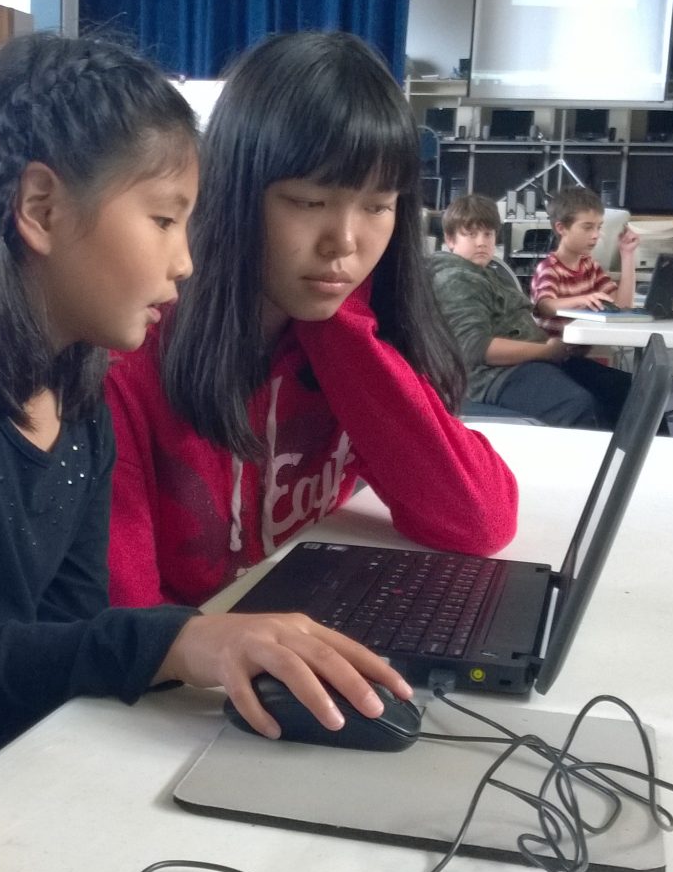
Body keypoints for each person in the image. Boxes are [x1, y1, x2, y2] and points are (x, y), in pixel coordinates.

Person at [0, 31, 414, 773]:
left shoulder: (81, 397)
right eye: (165, 220)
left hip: (25, 774)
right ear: (40, 208)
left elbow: (73, 634)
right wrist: (181, 639)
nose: (187, 260)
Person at [104, 31, 519, 610]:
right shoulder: (129, 356)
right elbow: (122, 623)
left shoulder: (348, 338)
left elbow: (480, 518)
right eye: (308, 202)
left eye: (377, 206)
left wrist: (340, 327)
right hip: (184, 680)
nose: (344, 243)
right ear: (231, 195)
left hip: (291, 636)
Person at [430, 194, 634, 428]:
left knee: (622, 388)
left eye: (488, 234)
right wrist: (545, 352)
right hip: (490, 376)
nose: (481, 242)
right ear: (450, 239)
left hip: (525, 362)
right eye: (471, 234)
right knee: (577, 406)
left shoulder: (481, 273)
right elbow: (476, 348)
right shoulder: (455, 278)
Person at [530, 185, 640, 336]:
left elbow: (623, 306)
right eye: (587, 228)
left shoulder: (590, 266)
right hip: (549, 355)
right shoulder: (549, 268)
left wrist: (627, 255)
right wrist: (583, 300)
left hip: (576, 353)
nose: (596, 235)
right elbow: (545, 306)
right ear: (561, 228)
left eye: (598, 227)